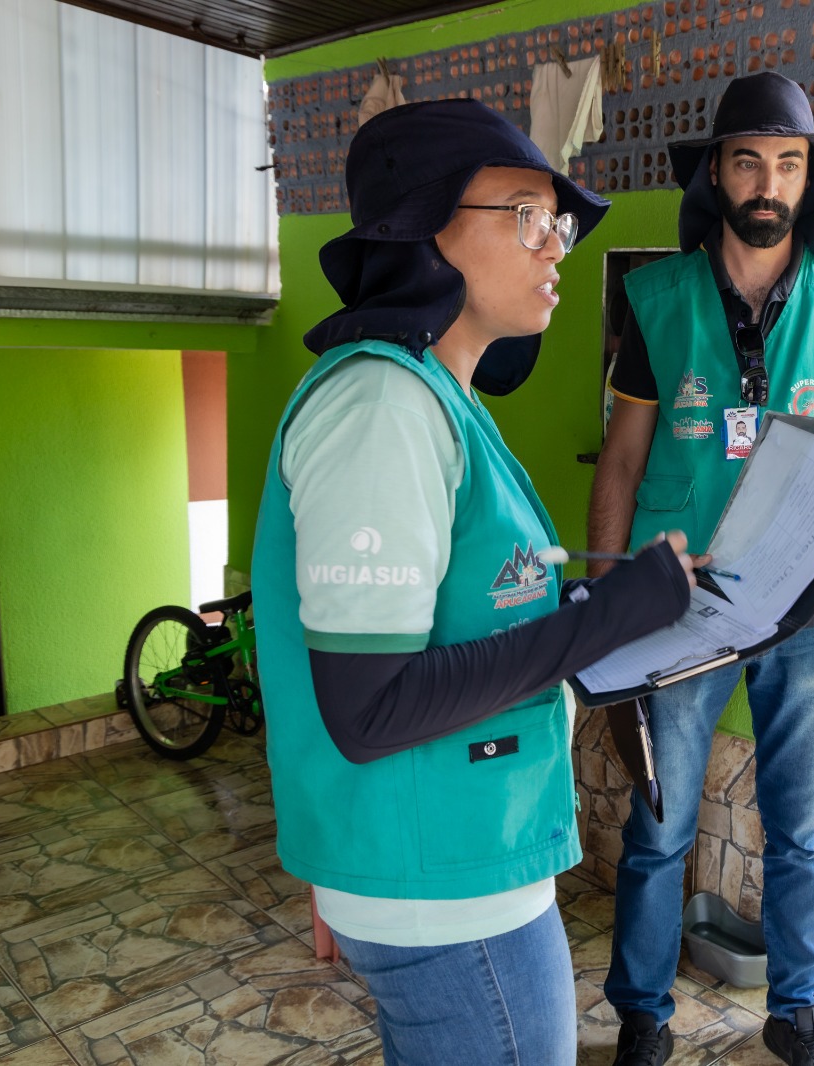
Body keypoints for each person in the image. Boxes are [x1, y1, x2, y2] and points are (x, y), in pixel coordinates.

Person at [250, 99, 701, 1066]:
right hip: (441, 889)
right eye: (526, 214)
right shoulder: (381, 405)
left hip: (443, 867)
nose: (556, 247)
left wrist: (592, 613)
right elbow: (368, 710)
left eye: (560, 223)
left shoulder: (437, 396)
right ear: (426, 230)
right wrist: (605, 619)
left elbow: (469, 618)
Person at [588, 72, 814, 1066]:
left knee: (800, 832)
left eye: (788, 164)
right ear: (716, 176)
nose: (768, 182)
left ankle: (797, 1013)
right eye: (747, 161)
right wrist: (604, 598)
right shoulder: (657, 298)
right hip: (681, 605)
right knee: (659, 825)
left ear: (811, 180)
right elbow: (623, 463)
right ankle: (643, 1014)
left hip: (812, 608)